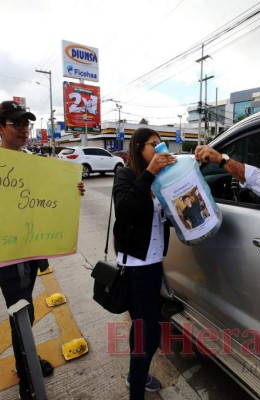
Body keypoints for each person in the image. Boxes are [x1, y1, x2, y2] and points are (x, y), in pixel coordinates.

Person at [0, 100, 86, 400]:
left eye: (26, 124)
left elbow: (49, 201)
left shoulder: (34, 163)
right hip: (4, 256)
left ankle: (25, 360)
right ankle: (28, 377)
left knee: (26, 311)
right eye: (17, 124)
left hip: (31, 251)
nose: (24, 129)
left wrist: (71, 192)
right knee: (21, 313)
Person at [112, 127, 176, 399]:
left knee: (147, 328)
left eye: (162, 145)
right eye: (154, 145)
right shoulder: (126, 175)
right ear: (139, 148)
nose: (160, 150)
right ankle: (136, 390)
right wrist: (149, 173)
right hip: (137, 267)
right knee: (146, 334)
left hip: (155, 264)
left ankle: (135, 375)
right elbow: (124, 210)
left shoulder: (160, 179)